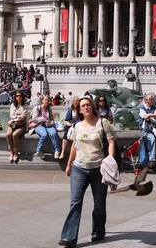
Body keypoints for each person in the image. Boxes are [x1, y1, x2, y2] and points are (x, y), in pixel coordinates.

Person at [59, 96, 116, 247]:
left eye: (88, 105)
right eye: (83, 106)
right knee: (75, 202)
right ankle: (69, 237)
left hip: (98, 168)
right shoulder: (77, 126)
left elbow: (111, 142)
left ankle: (98, 231)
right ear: (79, 110)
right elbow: (74, 146)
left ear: (93, 106)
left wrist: (110, 159)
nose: (86, 107)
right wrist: (69, 164)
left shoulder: (103, 122)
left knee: (99, 203)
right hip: (79, 168)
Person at [138, 94, 156, 167]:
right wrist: (151, 115)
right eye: (151, 99)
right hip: (146, 128)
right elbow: (145, 118)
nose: (153, 101)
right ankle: (151, 160)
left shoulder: (154, 107)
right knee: (152, 139)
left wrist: (149, 115)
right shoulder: (142, 108)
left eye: (153, 99)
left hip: (154, 126)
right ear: (146, 100)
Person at [6, 90, 29, 164]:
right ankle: (11, 151)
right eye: (17, 96)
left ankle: (16, 152)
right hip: (13, 124)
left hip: (21, 125)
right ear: (15, 97)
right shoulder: (12, 105)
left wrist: (14, 118)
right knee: (8, 134)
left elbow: (23, 117)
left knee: (14, 135)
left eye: (20, 96)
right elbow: (11, 115)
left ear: (22, 97)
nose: (19, 97)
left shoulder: (25, 105)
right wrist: (17, 117)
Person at [61, 96, 80, 160]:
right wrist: (66, 122)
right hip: (71, 126)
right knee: (66, 135)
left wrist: (73, 124)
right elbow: (67, 118)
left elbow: (81, 120)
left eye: (76, 102)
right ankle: (62, 152)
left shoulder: (80, 110)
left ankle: (76, 154)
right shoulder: (70, 110)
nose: (74, 103)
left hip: (78, 126)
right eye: (73, 102)